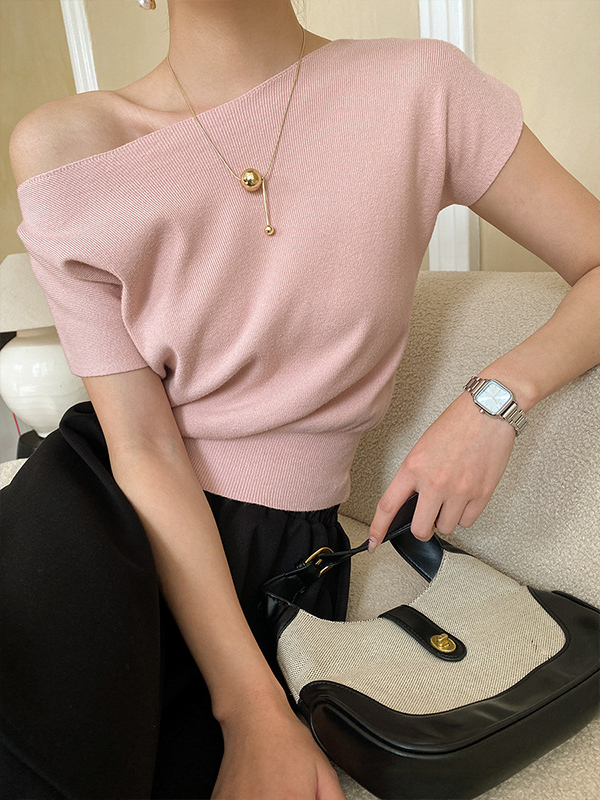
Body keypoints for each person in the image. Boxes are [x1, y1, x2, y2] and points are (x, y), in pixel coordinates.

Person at [3, 0, 599, 798]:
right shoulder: (65, 145)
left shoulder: (423, 89)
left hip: (280, 551)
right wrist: (249, 706)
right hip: (105, 504)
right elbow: (140, 446)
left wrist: (495, 400)